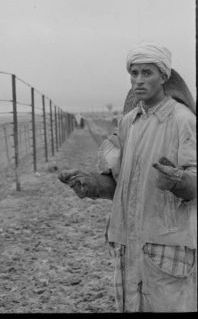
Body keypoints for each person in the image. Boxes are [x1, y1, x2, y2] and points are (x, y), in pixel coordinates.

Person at [58, 42, 196, 312]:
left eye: (147, 73)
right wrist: (90, 183)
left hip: (166, 245)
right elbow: (124, 182)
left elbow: (195, 182)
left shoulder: (183, 120)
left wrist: (177, 182)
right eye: (134, 73)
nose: (139, 80)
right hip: (127, 244)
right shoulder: (128, 122)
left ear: (164, 77)